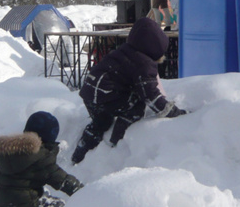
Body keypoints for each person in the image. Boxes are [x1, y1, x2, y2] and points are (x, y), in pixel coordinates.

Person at [72, 17, 186, 164]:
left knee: (101, 121)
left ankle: (80, 152)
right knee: (138, 103)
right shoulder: (144, 63)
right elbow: (149, 94)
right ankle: (119, 133)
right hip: (106, 96)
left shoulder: (124, 51)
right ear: (156, 48)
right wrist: (172, 112)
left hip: (90, 93)